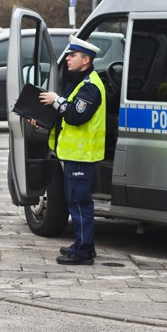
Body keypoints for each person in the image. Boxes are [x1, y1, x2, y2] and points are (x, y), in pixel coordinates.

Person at [37, 36, 107, 265]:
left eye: (72, 55)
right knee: (75, 201)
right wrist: (42, 120)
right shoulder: (78, 82)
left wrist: (57, 100)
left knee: (79, 203)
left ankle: (84, 251)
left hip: (81, 155)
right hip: (73, 154)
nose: (67, 59)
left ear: (85, 59)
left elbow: (76, 116)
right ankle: (81, 244)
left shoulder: (89, 87)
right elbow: (65, 115)